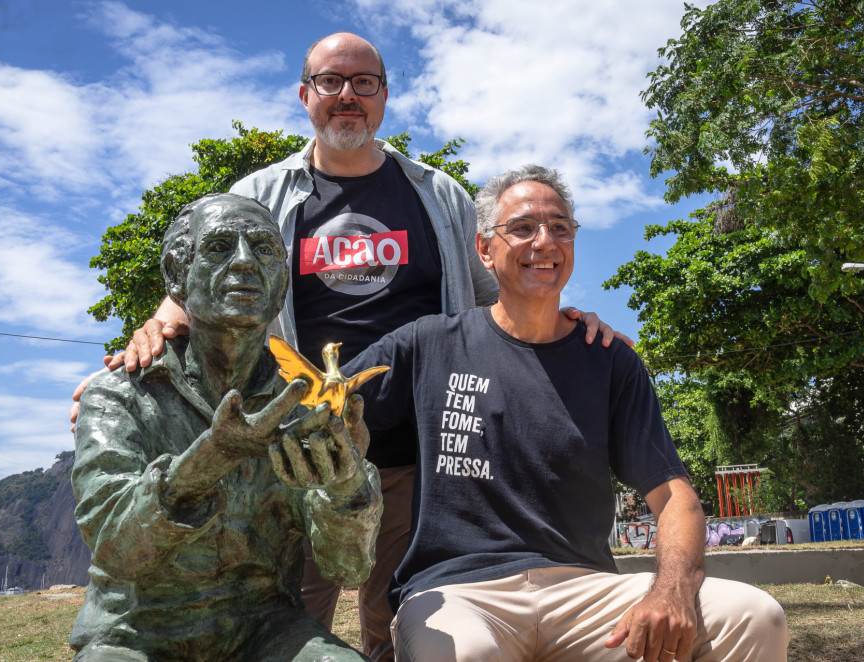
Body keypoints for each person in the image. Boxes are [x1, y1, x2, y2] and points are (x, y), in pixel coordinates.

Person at [71, 32, 628, 661]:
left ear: (385, 95)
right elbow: (201, 271)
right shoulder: (261, 194)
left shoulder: (436, 194)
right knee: (280, 615)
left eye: (364, 83)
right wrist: (150, 333)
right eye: (331, 82)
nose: (347, 97)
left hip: (424, 456)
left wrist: (563, 316)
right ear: (305, 94)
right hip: (290, 451)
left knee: (403, 624)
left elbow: (494, 292)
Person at [344, 166, 790, 662]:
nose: (544, 242)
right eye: (522, 228)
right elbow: (318, 410)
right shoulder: (425, 345)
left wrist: (671, 593)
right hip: (461, 593)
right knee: (466, 655)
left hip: (585, 592)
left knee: (755, 616)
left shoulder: (610, 359)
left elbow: (676, 500)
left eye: (560, 228)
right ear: (484, 249)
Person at [70, 194, 382, 662]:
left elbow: (348, 569)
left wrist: (346, 490)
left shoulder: (302, 407)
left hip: (264, 628)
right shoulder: (121, 396)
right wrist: (206, 461)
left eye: (263, 249)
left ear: (281, 285)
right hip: (135, 633)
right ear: (177, 275)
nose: (244, 262)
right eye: (219, 247)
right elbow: (114, 549)